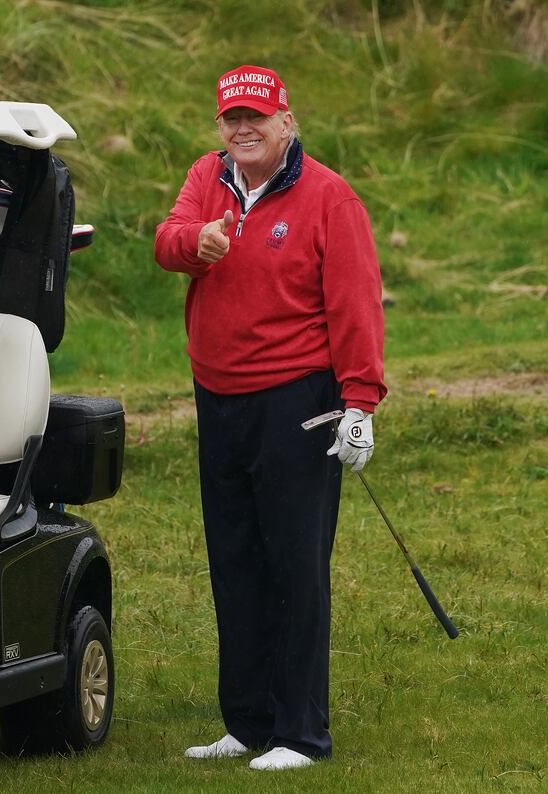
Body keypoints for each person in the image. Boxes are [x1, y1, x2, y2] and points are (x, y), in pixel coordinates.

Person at [154, 65, 386, 771]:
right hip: (217, 396)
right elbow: (168, 241)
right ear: (219, 127)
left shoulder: (328, 197)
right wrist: (201, 244)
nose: (244, 129)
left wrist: (361, 402)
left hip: (298, 402)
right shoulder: (208, 177)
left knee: (294, 564)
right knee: (235, 558)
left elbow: (355, 303)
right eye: (232, 119)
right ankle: (247, 722)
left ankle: (300, 733)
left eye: (257, 116)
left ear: (287, 120)